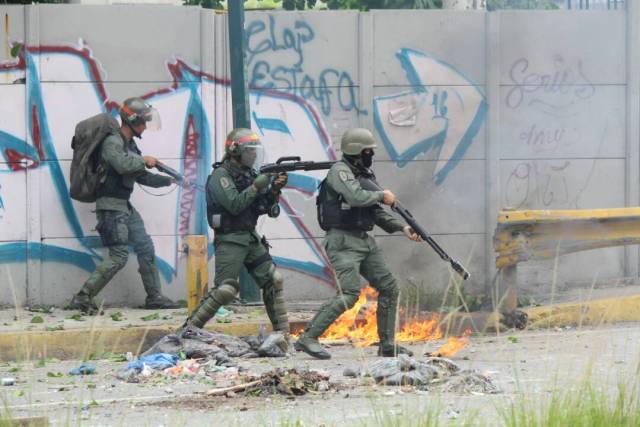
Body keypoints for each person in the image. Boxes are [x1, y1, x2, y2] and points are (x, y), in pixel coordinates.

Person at [295, 128, 421, 359]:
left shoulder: (362, 174)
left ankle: (387, 345)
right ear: (356, 151)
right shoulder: (340, 173)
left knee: (389, 288)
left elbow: (374, 212)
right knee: (350, 294)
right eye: (367, 151)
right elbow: (355, 197)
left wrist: (402, 228)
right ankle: (308, 338)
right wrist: (383, 195)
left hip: (363, 240)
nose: (370, 155)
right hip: (342, 241)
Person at [69, 97, 180, 313]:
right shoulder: (112, 142)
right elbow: (120, 165)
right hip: (110, 207)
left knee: (145, 247)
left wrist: (170, 180)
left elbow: (141, 176)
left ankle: (154, 297)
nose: (145, 127)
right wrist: (144, 159)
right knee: (119, 256)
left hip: (124, 206)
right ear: (131, 120)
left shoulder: (130, 145)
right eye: (143, 122)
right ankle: (83, 297)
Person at [182, 128, 291, 338]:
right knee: (225, 289)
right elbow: (234, 204)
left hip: (250, 237)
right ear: (235, 151)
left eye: (254, 151)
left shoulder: (249, 174)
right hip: (230, 239)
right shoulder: (220, 176)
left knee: (273, 280)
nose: (253, 155)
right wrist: (256, 187)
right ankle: (186, 331)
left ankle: (283, 336)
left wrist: (274, 191)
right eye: (249, 150)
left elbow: (264, 208)